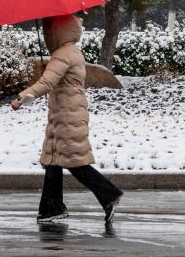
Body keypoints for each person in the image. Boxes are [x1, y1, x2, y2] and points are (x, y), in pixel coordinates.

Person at [12, 13, 123, 225]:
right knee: (52, 160)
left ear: (56, 32)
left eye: (48, 30)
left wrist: (22, 97)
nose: (46, 34)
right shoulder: (71, 52)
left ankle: (109, 195)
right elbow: (56, 80)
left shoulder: (62, 54)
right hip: (65, 112)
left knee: (74, 162)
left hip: (67, 114)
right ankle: (52, 209)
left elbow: (46, 82)